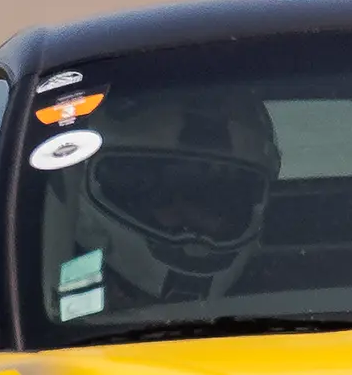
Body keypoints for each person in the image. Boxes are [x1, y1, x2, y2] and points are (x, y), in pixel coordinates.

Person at [49, 89, 277, 314]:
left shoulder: (279, 314)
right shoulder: (39, 307)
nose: (196, 217)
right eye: (166, 192)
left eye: (219, 197)